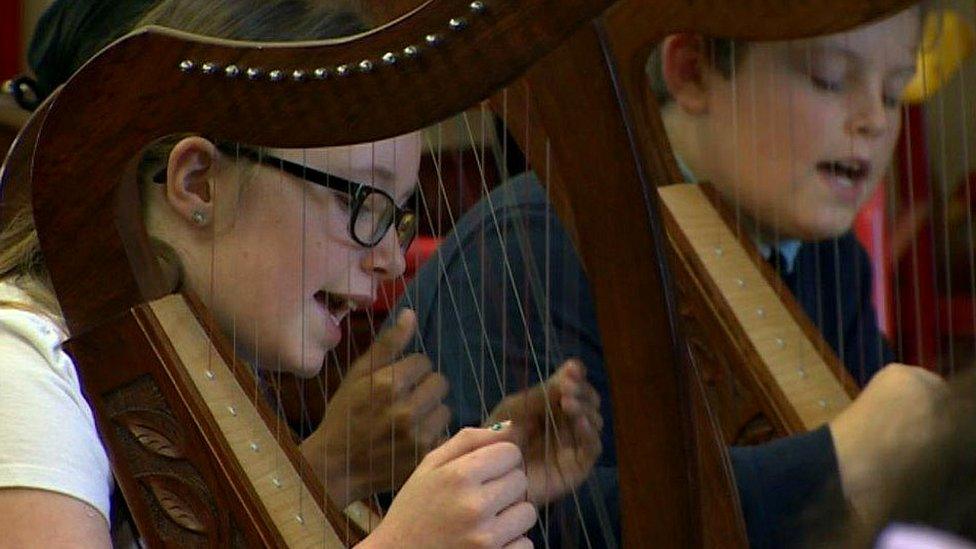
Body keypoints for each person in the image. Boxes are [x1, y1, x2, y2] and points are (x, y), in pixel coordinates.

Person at [0, 0, 604, 546]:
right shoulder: (23, 369)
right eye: (360, 202)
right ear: (197, 183)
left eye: (395, 216)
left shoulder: (199, 359)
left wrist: (488, 482)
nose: (391, 259)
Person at [396, 5, 950, 547]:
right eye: (829, 80)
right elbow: (541, 520)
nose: (874, 120)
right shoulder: (535, 246)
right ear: (691, 71)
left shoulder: (828, 256)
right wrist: (830, 461)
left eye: (894, 91)